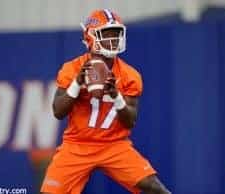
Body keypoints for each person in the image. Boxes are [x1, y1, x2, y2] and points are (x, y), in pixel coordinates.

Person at [41, 9, 171, 194]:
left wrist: (116, 96)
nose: (114, 40)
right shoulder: (72, 69)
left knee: (154, 187)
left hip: (114, 144)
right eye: (107, 34)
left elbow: (130, 121)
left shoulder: (129, 76)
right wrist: (78, 84)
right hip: (77, 145)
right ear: (91, 36)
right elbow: (57, 111)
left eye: (116, 35)